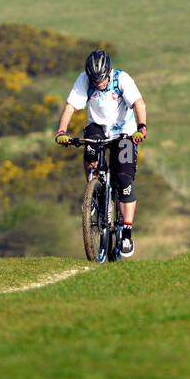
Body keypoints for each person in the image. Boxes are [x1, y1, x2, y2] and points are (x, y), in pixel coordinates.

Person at [54, 49, 147, 257]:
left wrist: (142, 128)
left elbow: (139, 103)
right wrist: (62, 131)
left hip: (124, 132)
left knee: (124, 180)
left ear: (109, 72)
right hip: (98, 128)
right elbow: (70, 106)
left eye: (101, 79)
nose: (98, 84)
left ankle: (127, 233)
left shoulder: (122, 79)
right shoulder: (84, 80)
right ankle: (92, 193)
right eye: (94, 80)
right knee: (89, 149)